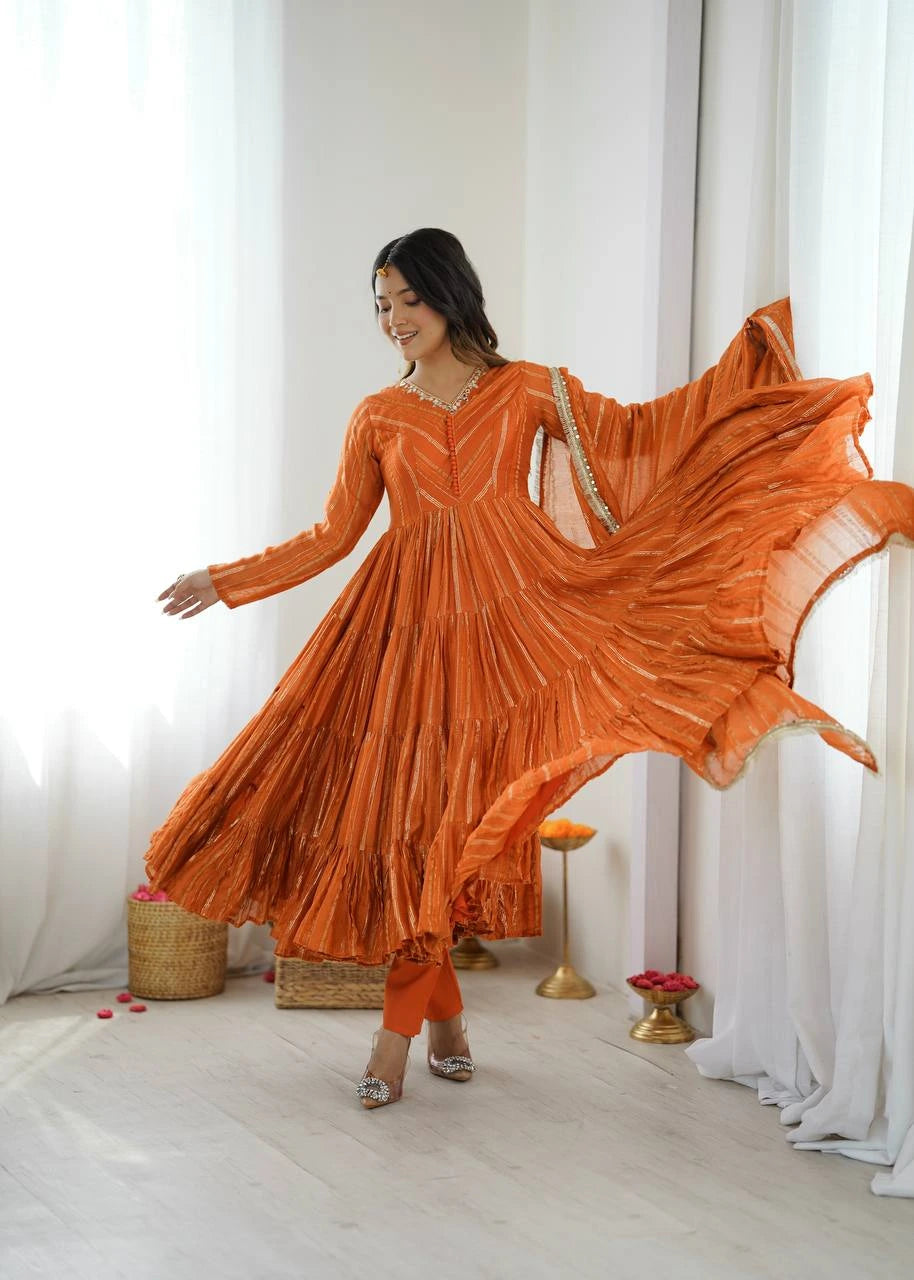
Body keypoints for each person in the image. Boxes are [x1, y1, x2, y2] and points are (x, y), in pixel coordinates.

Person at [148, 227, 914, 1111]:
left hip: (513, 642)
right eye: (381, 304)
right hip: (397, 647)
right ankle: (441, 1024)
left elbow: (639, 438)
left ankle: (393, 1042)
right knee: (418, 831)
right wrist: (225, 580)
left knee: (451, 829)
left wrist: (744, 382)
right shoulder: (377, 416)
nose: (394, 319)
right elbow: (333, 537)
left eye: (409, 299)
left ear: (451, 294)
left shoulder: (527, 390)